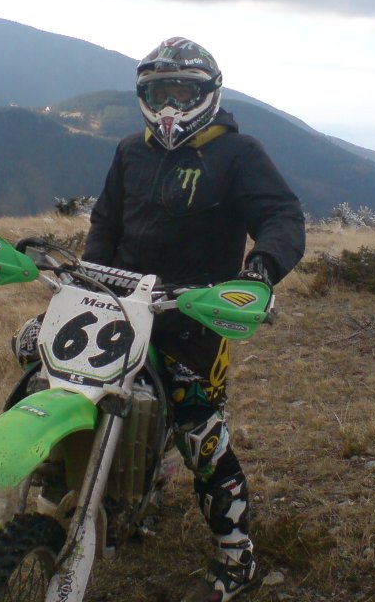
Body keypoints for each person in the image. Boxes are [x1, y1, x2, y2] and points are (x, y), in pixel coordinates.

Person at [82, 36, 306, 601]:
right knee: (81, 389)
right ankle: (116, 496)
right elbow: (107, 223)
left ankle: (237, 554)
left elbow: (281, 215)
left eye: (183, 93)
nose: (170, 106)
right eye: (160, 93)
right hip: (121, 304)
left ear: (208, 94)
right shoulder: (130, 151)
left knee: (199, 430)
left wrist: (260, 270)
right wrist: (89, 279)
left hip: (197, 313)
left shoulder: (238, 153)